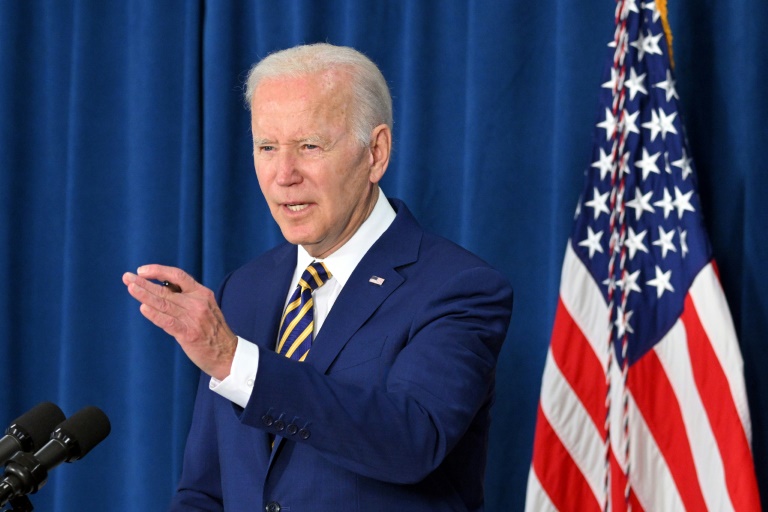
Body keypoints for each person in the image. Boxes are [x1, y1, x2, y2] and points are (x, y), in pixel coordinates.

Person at [123, 43, 513, 512]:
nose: (284, 174)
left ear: (376, 153)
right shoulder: (242, 289)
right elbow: (206, 490)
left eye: (309, 146)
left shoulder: (459, 287)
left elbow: (412, 441)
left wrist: (236, 361)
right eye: (267, 147)